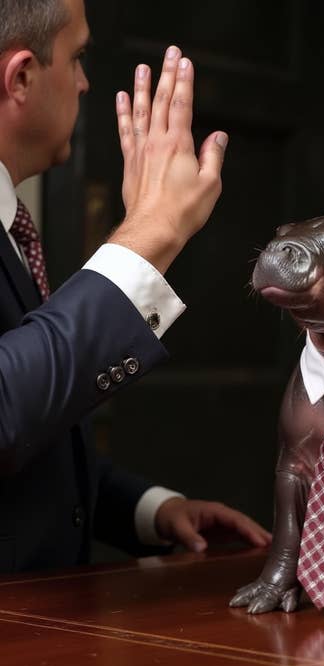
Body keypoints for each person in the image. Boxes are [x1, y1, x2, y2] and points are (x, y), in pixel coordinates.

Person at [0, 0, 270, 573]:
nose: (84, 81)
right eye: (76, 58)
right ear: (21, 76)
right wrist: (149, 234)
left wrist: (150, 510)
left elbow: (33, 432)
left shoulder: (14, 230)